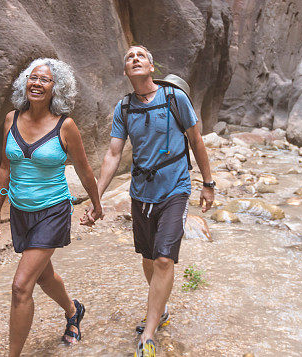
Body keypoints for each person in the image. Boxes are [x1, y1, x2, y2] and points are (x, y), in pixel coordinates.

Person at [82, 46, 215, 357]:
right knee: (147, 256)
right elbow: (113, 154)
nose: (135, 59)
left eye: (140, 55)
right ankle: (162, 307)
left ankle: (150, 332)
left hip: (175, 188)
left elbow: (196, 141)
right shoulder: (124, 108)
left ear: (152, 66)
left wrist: (208, 184)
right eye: (129, 57)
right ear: (126, 71)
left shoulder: (174, 99)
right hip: (141, 192)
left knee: (164, 259)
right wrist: (96, 197)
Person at [0, 58, 103, 357]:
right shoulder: (12, 119)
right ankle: (73, 310)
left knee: (21, 286)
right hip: (20, 211)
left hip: (52, 210)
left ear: (57, 88)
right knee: (43, 276)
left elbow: (84, 170)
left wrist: (96, 204)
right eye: (33, 77)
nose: (37, 83)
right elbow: (4, 167)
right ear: (25, 83)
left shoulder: (66, 126)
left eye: (45, 80)